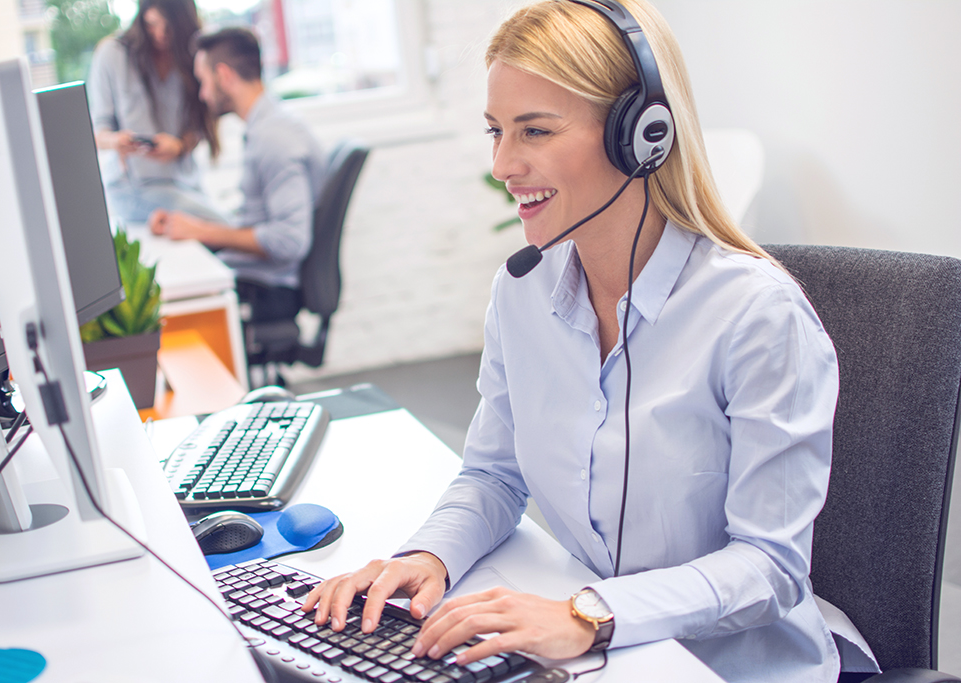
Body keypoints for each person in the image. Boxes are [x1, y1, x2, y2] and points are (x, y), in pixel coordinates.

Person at [302, 1, 846, 682]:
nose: (504, 164)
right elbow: (493, 475)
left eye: (534, 130)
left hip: (731, 667)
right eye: (496, 131)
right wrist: (427, 557)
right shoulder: (522, 293)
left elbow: (770, 564)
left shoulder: (756, 316)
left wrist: (590, 612)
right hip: (593, 656)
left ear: (640, 134)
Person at [149, 27, 326, 322]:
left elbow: (289, 241)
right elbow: (256, 221)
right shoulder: (269, 126)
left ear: (225, 76)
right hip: (256, 275)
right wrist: (189, 226)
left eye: (203, 82)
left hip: (266, 288)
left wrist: (202, 232)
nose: (203, 95)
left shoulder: (274, 140)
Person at [89, 0, 221, 223]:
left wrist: (178, 147)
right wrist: (116, 141)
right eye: (151, 24)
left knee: (221, 228)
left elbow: (199, 124)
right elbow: (97, 132)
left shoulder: (192, 55)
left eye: (168, 27)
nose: (160, 33)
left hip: (185, 184)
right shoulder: (112, 54)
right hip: (133, 188)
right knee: (221, 227)